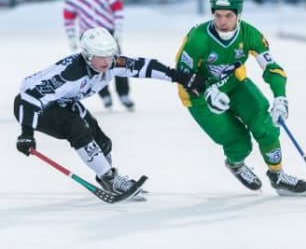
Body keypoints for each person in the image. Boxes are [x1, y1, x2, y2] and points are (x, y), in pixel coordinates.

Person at [14, 27, 204, 195]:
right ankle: (110, 178)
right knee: (77, 128)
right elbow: (29, 98)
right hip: (35, 107)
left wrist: (179, 76)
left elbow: (144, 66)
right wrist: (26, 133)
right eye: (100, 56)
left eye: (110, 54)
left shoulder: (112, 63)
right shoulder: (70, 73)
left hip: (64, 102)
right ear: (88, 55)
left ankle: (105, 177)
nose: (107, 61)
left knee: (102, 141)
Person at [175, 0, 306, 195]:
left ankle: (277, 175)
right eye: (218, 15)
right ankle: (235, 164)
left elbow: (272, 68)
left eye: (228, 15)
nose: (222, 21)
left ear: (238, 14)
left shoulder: (250, 35)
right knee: (239, 142)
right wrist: (207, 91)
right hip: (198, 97)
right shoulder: (198, 39)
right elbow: (182, 75)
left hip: (235, 83)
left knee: (265, 125)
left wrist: (280, 97)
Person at [63, 0, 134, 110]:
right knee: (95, 66)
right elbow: (68, 18)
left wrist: (119, 29)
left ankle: (124, 94)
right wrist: (71, 36)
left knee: (118, 62)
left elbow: (118, 9)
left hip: (108, 33)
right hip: (88, 36)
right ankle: (105, 95)